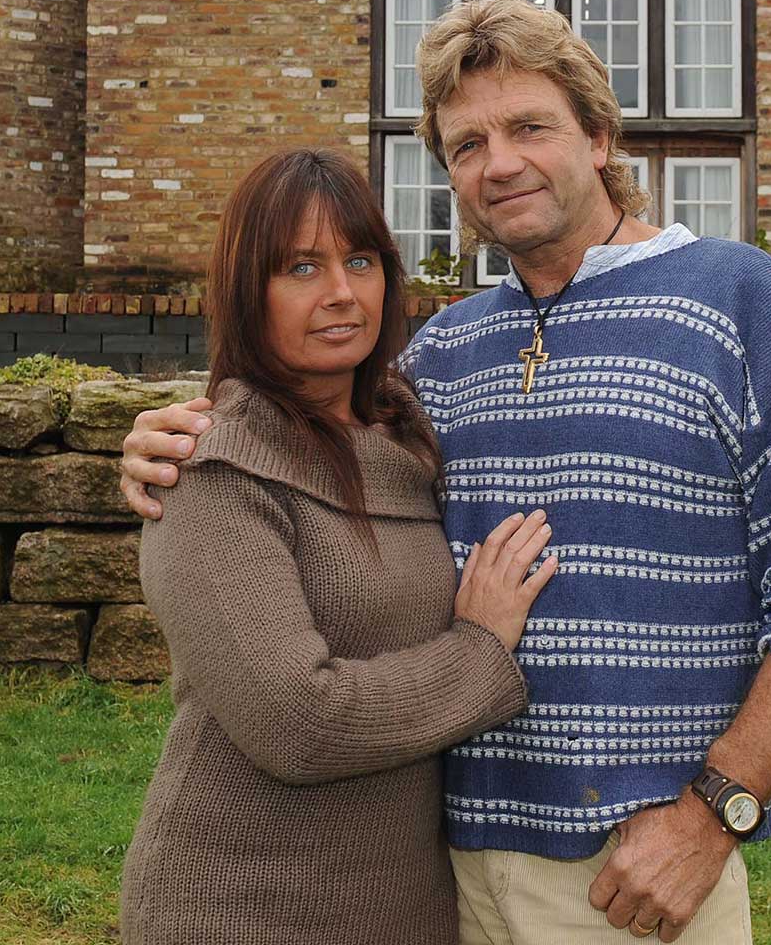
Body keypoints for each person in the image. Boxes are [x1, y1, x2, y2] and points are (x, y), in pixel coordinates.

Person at [123, 0, 771, 945]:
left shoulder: (741, 302)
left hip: (639, 869)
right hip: (437, 876)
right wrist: (164, 440)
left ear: (601, 135)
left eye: (529, 126)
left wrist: (713, 814)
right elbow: (294, 447)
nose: (499, 163)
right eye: (465, 144)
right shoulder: (439, 359)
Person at [119, 145, 559, 945]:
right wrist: (482, 652)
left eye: (359, 260)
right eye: (300, 267)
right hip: (240, 910)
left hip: (406, 908)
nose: (341, 294)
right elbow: (299, 723)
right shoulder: (213, 472)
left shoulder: (413, 431)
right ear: (246, 289)